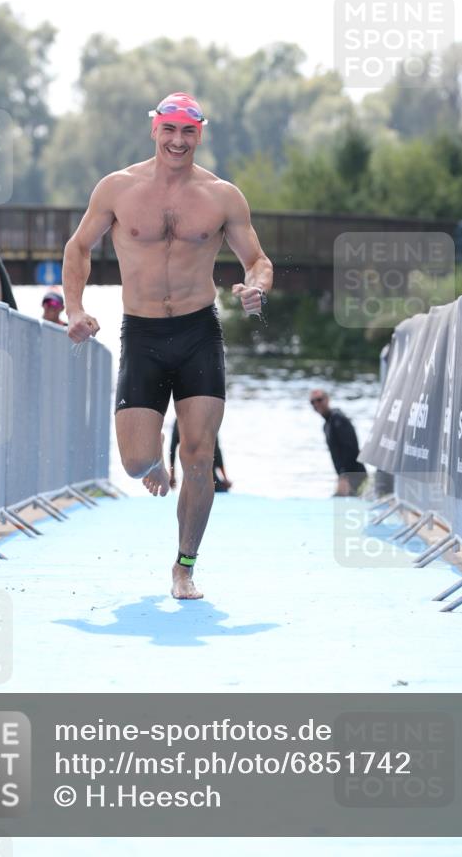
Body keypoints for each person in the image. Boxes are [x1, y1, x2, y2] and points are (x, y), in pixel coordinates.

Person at [63, 92, 272, 599]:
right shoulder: (118, 188)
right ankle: (157, 459)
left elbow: (257, 260)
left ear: (200, 134)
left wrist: (257, 288)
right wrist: (75, 308)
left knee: (199, 456)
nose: (178, 141)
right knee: (135, 462)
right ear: (154, 129)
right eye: (170, 130)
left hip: (200, 333)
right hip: (143, 334)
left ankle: (184, 566)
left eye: (188, 132)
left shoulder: (223, 196)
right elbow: (78, 247)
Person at [309, 389, 368, 496]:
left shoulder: (338, 419)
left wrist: (344, 476)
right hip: (347, 475)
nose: (316, 404)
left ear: (327, 399)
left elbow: (351, 449)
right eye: (312, 402)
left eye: (319, 400)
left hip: (354, 475)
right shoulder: (327, 424)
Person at [169, 419, 232, 493]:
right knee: (220, 490)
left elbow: (172, 449)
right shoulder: (208, 418)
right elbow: (217, 451)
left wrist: (172, 476)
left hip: (189, 474)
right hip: (207, 472)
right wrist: (225, 478)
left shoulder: (179, 419)